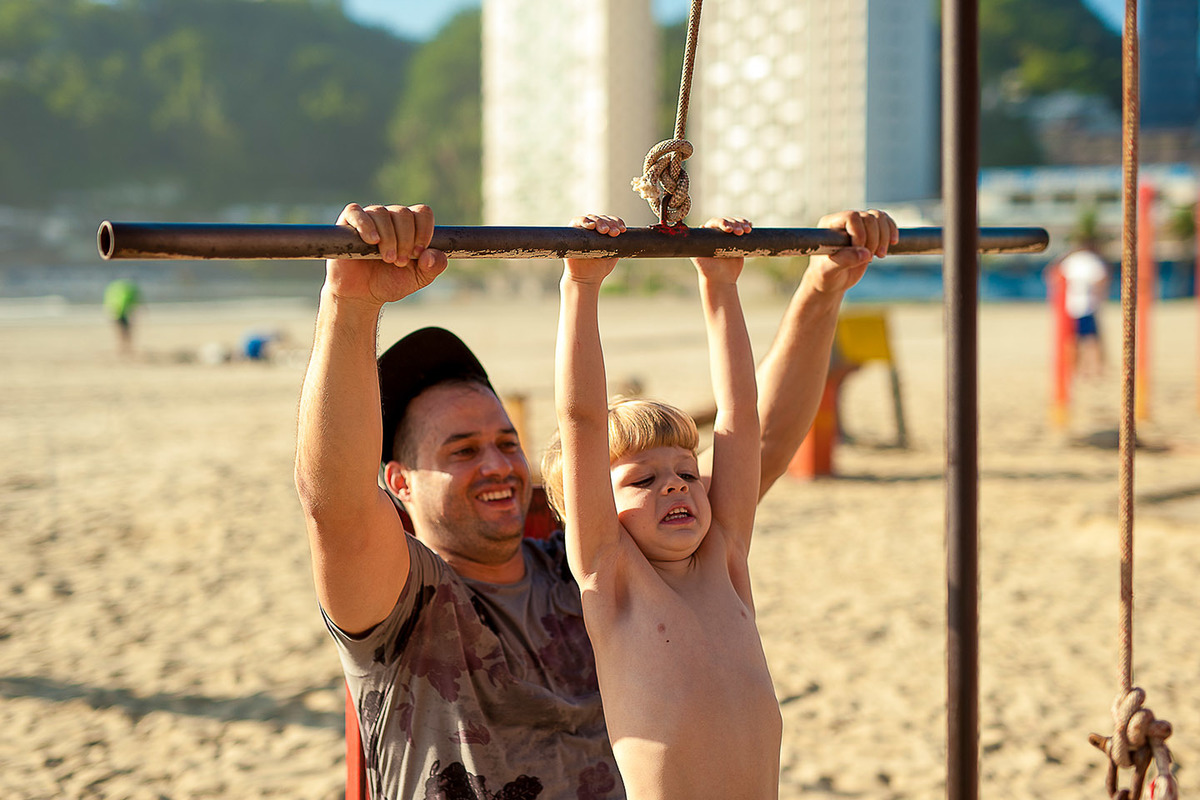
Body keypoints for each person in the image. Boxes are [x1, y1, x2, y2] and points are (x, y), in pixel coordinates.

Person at [293, 202, 896, 799]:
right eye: (462, 451)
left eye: (507, 442)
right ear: (398, 483)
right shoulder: (408, 606)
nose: (499, 464)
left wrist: (822, 283)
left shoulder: (625, 555)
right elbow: (336, 506)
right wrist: (350, 303)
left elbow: (750, 438)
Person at [541, 212, 780, 798]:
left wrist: (721, 287)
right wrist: (582, 286)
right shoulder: (613, 577)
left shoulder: (728, 554)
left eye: (685, 471)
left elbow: (741, 420)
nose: (675, 486)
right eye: (643, 481)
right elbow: (582, 420)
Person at [1054, 237, 1110, 379]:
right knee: (1092, 340)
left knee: (1074, 340)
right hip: (1088, 304)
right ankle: (1095, 368)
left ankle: (1075, 369)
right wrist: (1100, 295)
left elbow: (1054, 275)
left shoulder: (1070, 261)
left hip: (1071, 304)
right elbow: (1102, 280)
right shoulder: (1092, 261)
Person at [103, 277, 142, 357]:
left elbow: (109, 301)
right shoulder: (127, 290)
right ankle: (124, 348)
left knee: (122, 331)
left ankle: (124, 348)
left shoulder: (114, 289)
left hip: (117, 312)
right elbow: (133, 302)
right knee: (124, 331)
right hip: (120, 312)